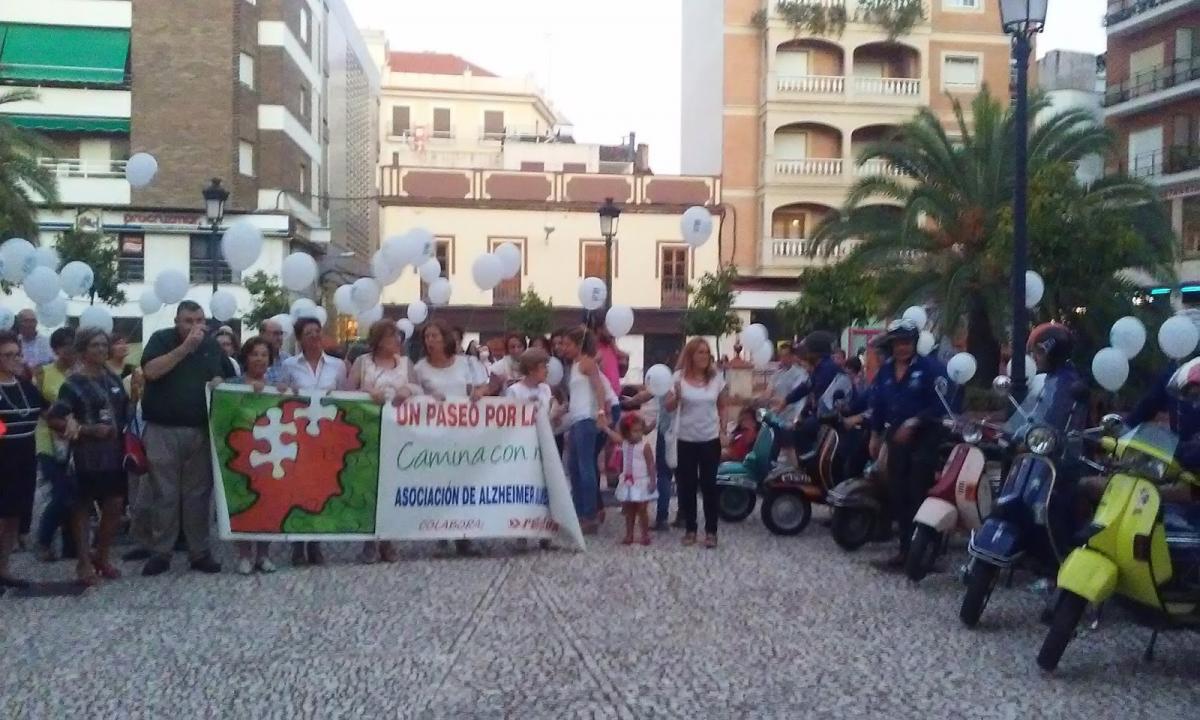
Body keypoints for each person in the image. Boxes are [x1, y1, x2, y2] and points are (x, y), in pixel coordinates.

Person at [139, 301, 235, 577]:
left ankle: (199, 551)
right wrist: (184, 349)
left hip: (200, 429)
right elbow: (151, 371)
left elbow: (226, 375)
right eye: (188, 321)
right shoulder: (161, 340)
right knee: (164, 493)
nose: (195, 326)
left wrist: (219, 380)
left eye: (199, 320)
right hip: (163, 428)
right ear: (176, 322)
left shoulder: (212, 346)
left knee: (198, 495)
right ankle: (161, 552)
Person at [48, 328, 131, 585]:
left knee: (115, 505)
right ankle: (84, 562)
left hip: (114, 452)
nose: (101, 350)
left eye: (104, 345)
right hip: (86, 453)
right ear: (83, 350)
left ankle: (102, 555)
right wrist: (88, 429)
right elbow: (54, 418)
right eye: (95, 345)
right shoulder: (73, 383)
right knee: (82, 507)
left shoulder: (112, 378)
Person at [868, 319, 949, 568]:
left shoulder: (931, 369)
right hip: (896, 437)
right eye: (897, 343)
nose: (902, 348)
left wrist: (915, 422)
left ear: (914, 343)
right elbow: (878, 404)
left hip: (925, 437)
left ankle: (927, 553)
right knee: (898, 493)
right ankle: (904, 550)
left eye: (907, 343)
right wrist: (874, 434)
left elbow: (943, 405)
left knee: (919, 493)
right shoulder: (886, 370)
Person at [345, 320, 420, 564]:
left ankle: (389, 540)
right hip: (368, 432)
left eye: (398, 336)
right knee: (369, 485)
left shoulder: (405, 364)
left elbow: (419, 389)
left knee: (393, 483)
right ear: (378, 340)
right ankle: (369, 540)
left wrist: (408, 390)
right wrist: (366, 394)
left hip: (399, 432)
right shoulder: (362, 363)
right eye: (391, 337)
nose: (397, 341)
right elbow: (346, 393)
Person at [282, 317, 347, 567]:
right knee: (299, 486)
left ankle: (316, 542)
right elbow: (281, 395)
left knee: (321, 486)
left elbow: (346, 397)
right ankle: (298, 542)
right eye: (308, 333)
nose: (314, 336)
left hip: (327, 433)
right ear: (299, 338)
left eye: (317, 332)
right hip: (299, 433)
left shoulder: (338, 366)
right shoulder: (290, 365)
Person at [219, 336, 281, 575]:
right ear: (246, 357)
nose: (260, 359)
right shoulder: (232, 384)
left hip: (270, 453)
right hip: (240, 452)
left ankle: (263, 555)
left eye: (264, 355)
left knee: (267, 502)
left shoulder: (277, 385)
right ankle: (244, 554)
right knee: (242, 501)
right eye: (255, 354)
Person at [665, 338, 729, 549]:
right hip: (686, 438)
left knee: (709, 485)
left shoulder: (716, 378)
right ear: (691, 355)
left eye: (706, 352)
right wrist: (677, 397)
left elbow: (722, 406)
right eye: (700, 352)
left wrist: (723, 430)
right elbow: (668, 406)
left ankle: (711, 531)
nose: (704, 356)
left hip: (709, 438)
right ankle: (690, 529)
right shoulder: (678, 378)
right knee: (687, 485)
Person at [0, 331, 48, 590]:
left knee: (14, 516)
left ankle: (4, 568)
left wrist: (69, 421)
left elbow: (46, 410)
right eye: (7, 355)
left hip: (24, 456)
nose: (14, 359)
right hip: (2, 458)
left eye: (16, 354)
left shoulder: (24, 384)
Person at [33, 327, 77, 562]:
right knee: (61, 492)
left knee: (75, 493)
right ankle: (43, 539)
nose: (71, 352)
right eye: (67, 347)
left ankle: (71, 544)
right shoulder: (43, 373)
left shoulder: (80, 373)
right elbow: (36, 404)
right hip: (48, 438)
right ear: (56, 349)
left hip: (75, 439)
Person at [560, 326, 609, 534]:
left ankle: (589, 514)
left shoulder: (587, 364)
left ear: (578, 344)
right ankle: (579, 511)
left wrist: (600, 411)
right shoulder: (574, 365)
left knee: (585, 466)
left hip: (586, 419)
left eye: (568, 344)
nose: (564, 348)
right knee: (574, 467)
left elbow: (599, 387)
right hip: (576, 420)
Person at [598, 412, 657, 546]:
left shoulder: (645, 446)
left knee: (642, 509)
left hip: (641, 481)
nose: (638, 434)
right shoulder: (625, 443)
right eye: (634, 431)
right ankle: (629, 534)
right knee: (629, 509)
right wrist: (605, 428)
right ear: (627, 432)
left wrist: (652, 480)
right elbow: (614, 437)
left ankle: (645, 534)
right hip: (628, 481)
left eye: (640, 430)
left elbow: (651, 464)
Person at [16, 309, 53, 374]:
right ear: (19, 323)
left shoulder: (47, 342)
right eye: (26, 321)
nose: (30, 324)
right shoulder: (15, 342)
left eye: (33, 321)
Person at [261, 318, 291, 384]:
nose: (280, 338)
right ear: (262, 334)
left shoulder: (288, 359)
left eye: (281, 333)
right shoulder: (254, 359)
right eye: (275, 334)